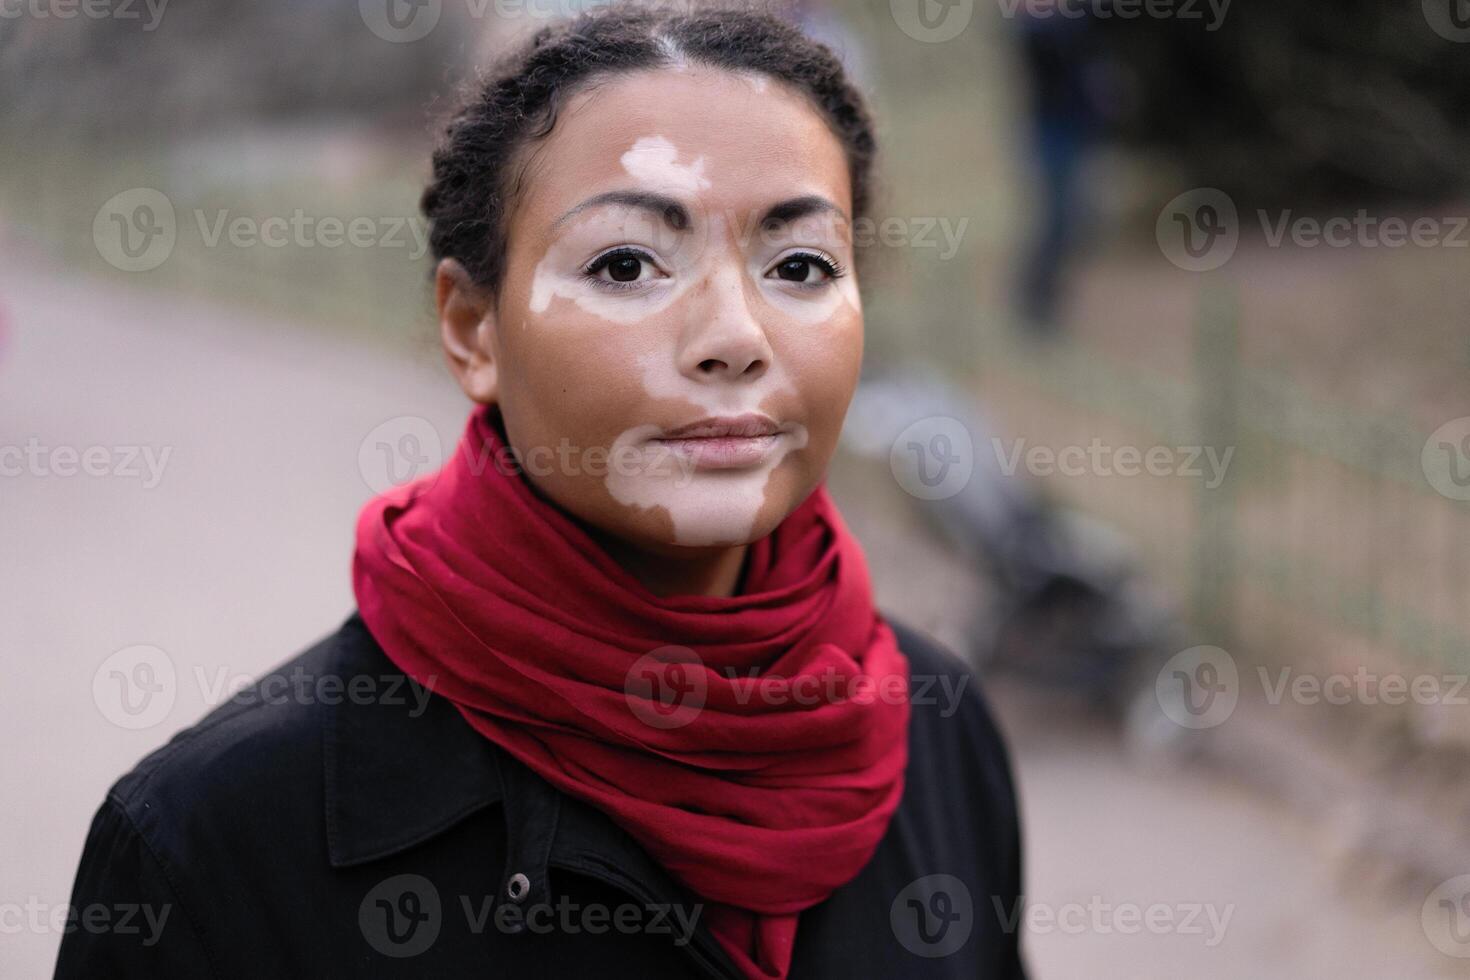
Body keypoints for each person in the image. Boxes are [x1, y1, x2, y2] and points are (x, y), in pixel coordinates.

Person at [55, 8, 1026, 978]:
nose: (736, 334)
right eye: (626, 263)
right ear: (473, 329)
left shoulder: (933, 729)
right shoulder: (217, 840)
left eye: (800, 265)